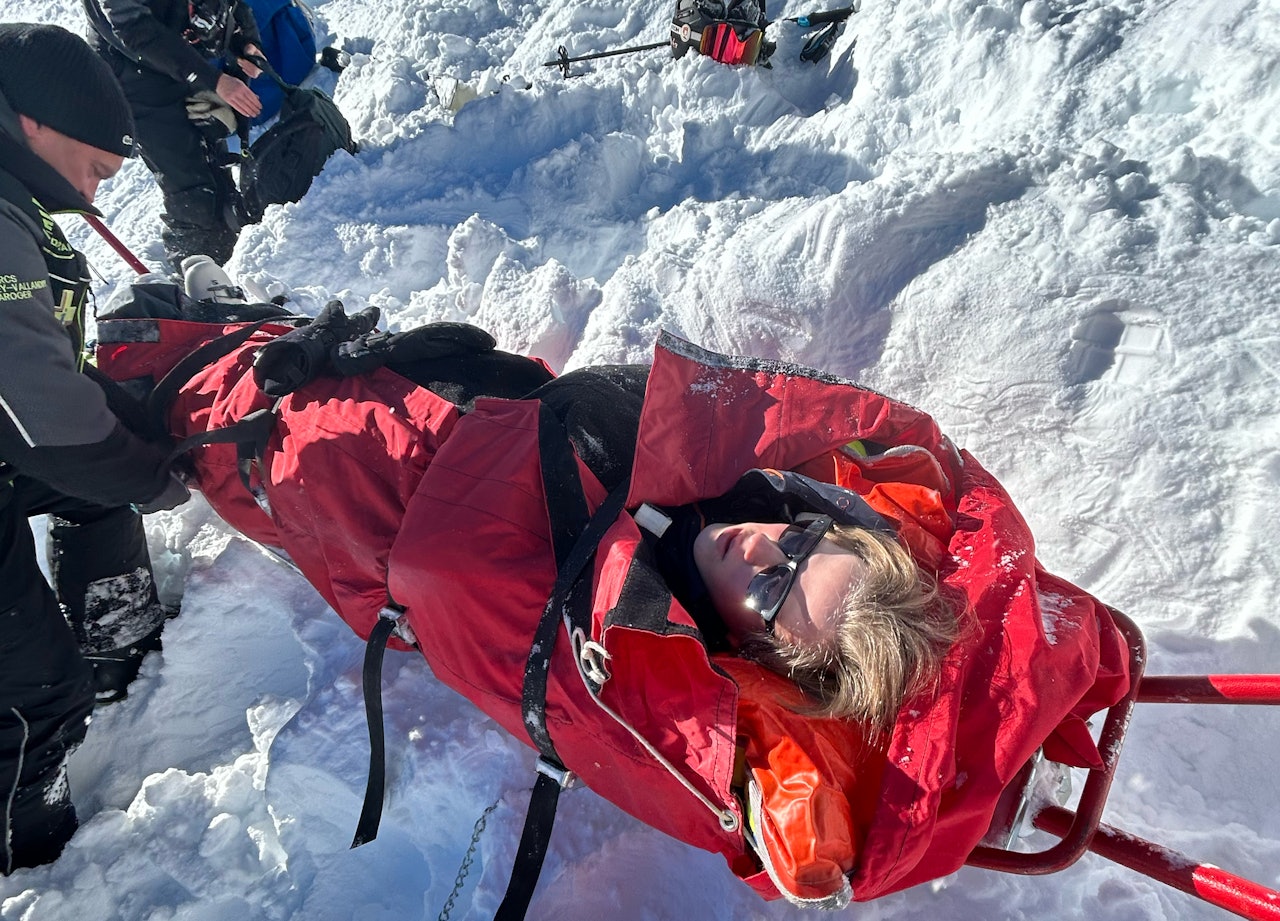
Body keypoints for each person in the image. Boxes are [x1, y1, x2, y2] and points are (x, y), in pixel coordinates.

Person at [94, 288, 1130, 908]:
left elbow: (450, 580)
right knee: (302, 389)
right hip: (438, 420)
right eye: (808, 538)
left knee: (260, 443)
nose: (767, 541)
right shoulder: (745, 507)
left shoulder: (646, 643)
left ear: (751, 652)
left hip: (369, 502)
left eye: (771, 589)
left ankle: (153, 372)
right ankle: (198, 340)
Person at [0, 23, 191, 875]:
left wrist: (141, 429)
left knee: (95, 488)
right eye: (96, 169)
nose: (93, 194)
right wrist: (156, 471)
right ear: (35, 122)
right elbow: (42, 416)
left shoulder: (16, 198)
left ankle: (121, 653)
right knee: (32, 691)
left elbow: (48, 363)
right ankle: (33, 861)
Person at [83, 0, 265, 270]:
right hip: (132, 73)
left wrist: (245, 40)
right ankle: (195, 280)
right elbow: (134, 28)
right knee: (189, 185)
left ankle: (230, 262)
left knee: (213, 166)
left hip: (181, 56)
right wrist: (212, 80)